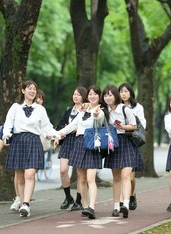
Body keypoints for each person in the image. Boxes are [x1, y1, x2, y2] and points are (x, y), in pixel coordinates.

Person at [2, 80, 57, 218]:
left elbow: (46, 127)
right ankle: (22, 204)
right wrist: (6, 135)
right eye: (29, 88)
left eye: (34, 89)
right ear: (23, 91)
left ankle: (26, 203)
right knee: (20, 177)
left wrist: (56, 134)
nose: (32, 91)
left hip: (33, 141)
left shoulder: (40, 109)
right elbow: (8, 123)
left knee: (30, 174)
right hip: (18, 141)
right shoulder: (15, 107)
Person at [55, 85, 104, 219]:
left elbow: (99, 121)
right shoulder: (82, 111)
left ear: (99, 96)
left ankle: (92, 207)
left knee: (90, 178)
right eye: (90, 94)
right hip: (79, 144)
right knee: (81, 179)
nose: (92, 96)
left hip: (92, 144)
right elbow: (72, 126)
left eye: (95, 94)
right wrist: (57, 135)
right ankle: (84, 205)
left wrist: (95, 114)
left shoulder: (100, 110)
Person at [102, 85, 137, 218]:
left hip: (126, 142)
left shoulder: (125, 109)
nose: (108, 97)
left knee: (126, 176)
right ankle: (116, 206)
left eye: (110, 95)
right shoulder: (104, 111)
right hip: (113, 144)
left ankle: (126, 205)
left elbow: (134, 126)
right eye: (105, 95)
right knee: (116, 178)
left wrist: (122, 126)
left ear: (115, 96)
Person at [56, 86, 87, 211]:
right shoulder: (69, 110)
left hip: (80, 140)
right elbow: (60, 125)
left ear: (83, 97)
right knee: (63, 170)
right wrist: (57, 136)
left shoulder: (87, 110)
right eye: (74, 94)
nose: (75, 96)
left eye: (78, 94)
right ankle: (68, 197)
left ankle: (79, 201)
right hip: (68, 141)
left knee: (80, 173)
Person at [118, 83, 146, 211]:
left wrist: (128, 126)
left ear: (130, 93)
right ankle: (123, 201)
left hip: (132, 141)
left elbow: (141, 124)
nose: (123, 94)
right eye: (121, 91)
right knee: (120, 175)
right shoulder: (115, 107)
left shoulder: (137, 107)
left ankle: (131, 194)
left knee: (131, 176)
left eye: (126, 91)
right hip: (119, 141)